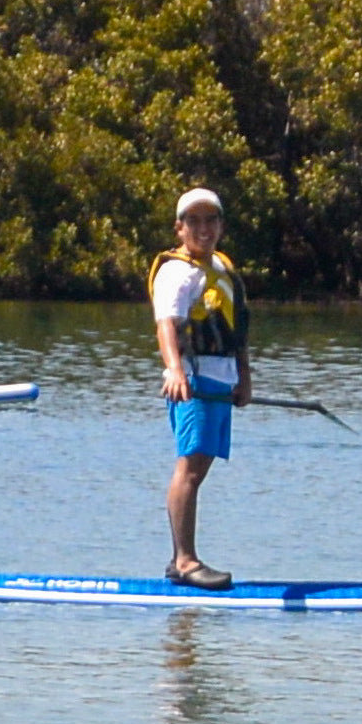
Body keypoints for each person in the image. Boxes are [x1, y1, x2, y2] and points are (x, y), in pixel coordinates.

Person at [148, 187, 252, 590]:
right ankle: (186, 561)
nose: (204, 229)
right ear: (180, 228)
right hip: (192, 381)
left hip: (220, 381)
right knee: (189, 467)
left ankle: (180, 559)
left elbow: (237, 330)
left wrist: (245, 377)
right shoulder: (177, 272)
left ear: (221, 226)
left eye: (212, 220)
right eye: (195, 221)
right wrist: (174, 370)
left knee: (201, 466)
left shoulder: (223, 270)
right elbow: (166, 326)